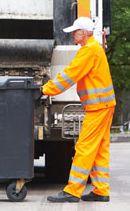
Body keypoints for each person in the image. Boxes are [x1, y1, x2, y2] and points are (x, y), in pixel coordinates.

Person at [42, 17, 116, 203]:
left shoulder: (89, 50)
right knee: (99, 149)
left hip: (98, 107)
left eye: (75, 31)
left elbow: (69, 75)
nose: (72, 34)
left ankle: (73, 191)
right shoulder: (93, 49)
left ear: (84, 33)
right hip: (103, 105)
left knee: (84, 147)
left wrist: (44, 89)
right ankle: (101, 190)